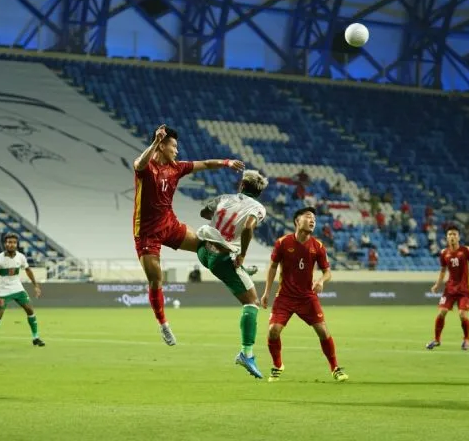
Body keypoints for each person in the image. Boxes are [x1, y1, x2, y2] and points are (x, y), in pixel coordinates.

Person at [133, 125, 244, 345]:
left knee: (205, 245)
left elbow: (205, 164)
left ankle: (235, 264)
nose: (177, 150)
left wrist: (227, 162)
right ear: (162, 146)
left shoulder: (177, 168)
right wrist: (154, 142)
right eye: (173, 146)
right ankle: (163, 325)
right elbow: (139, 164)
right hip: (146, 233)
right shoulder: (147, 168)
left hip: (169, 225)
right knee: (156, 280)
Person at [195, 170, 269, 379]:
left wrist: (222, 216)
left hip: (203, 251)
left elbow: (204, 213)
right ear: (259, 192)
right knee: (252, 302)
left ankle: (242, 271)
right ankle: (246, 354)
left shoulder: (224, 198)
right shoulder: (258, 208)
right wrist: (243, 254)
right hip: (223, 258)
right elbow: (248, 228)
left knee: (236, 269)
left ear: (242, 185)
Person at [261, 207, 348, 382]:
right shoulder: (282, 243)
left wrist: (321, 281)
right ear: (297, 221)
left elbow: (327, 272)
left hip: (307, 297)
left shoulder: (318, 246)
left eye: (314, 218)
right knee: (273, 331)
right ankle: (277, 365)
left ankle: (335, 368)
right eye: (308, 217)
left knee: (323, 331)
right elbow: (272, 267)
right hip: (285, 296)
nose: (312, 220)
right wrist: (266, 292)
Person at [0, 233, 45, 347]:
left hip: (17, 288)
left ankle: (36, 338)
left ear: (16, 244)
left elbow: (28, 270)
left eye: (13, 242)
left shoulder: (21, 257)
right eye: (9, 242)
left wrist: (36, 285)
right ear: (5, 244)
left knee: (30, 310)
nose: (11, 244)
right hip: (3, 290)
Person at [426, 226, 469, 351]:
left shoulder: (466, 250)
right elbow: (443, 270)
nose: (452, 236)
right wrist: (437, 284)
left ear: (459, 237)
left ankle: (466, 339)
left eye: (454, 234)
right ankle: (437, 340)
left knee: (462, 314)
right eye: (450, 234)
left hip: (464, 289)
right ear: (446, 237)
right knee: (441, 312)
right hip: (450, 289)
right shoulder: (444, 253)